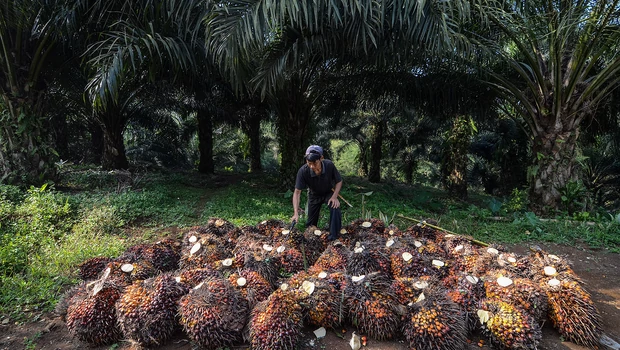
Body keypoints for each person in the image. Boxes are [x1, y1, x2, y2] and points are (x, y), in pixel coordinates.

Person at [291, 145, 343, 241]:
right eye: (309, 163)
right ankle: (311, 240)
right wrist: (295, 212)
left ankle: (334, 237)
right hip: (314, 195)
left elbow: (339, 181)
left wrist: (335, 197)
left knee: (335, 207)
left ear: (321, 158)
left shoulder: (329, 165)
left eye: (314, 163)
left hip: (328, 193)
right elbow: (297, 192)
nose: (312, 166)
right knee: (311, 225)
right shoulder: (303, 171)